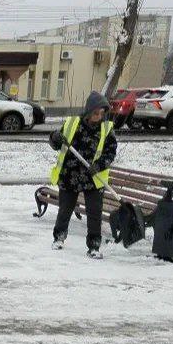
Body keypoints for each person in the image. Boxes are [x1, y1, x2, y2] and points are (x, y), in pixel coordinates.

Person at [48, 91, 117, 259]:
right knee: (65, 209)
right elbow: (56, 143)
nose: (98, 116)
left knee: (94, 213)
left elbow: (110, 152)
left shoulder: (106, 129)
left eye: (101, 113)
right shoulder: (73, 123)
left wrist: (99, 166)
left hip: (93, 178)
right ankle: (59, 238)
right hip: (70, 174)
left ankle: (93, 246)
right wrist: (54, 137)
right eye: (95, 113)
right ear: (88, 111)